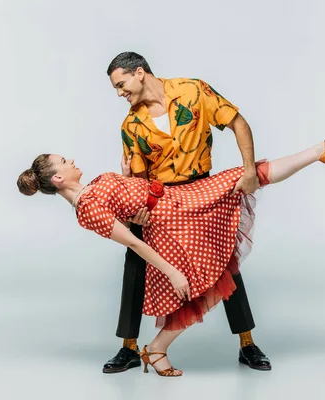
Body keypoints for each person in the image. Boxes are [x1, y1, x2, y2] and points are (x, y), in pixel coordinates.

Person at [17, 125, 325, 376]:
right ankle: (156, 349)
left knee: (242, 176)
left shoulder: (91, 189)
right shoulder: (86, 208)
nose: (71, 160)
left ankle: (320, 151)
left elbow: (127, 200)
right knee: (209, 282)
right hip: (171, 224)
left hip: (175, 201)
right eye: (64, 161)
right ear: (58, 178)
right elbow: (133, 242)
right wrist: (172, 270)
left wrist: (127, 180)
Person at [103, 51, 271, 374]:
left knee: (224, 259)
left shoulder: (194, 92)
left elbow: (238, 123)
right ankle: (128, 347)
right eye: (116, 89)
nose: (119, 93)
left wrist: (249, 170)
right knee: (135, 254)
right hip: (159, 199)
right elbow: (138, 179)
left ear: (139, 73)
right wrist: (134, 200)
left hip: (201, 191)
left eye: (121, 84)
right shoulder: (131, 125)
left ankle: (247, 343)